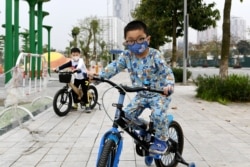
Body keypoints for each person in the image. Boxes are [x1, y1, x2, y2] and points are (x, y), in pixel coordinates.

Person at [90, 20, 175, 154]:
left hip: (159, 94)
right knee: (126, 116)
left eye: (140, 39)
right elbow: (114, 67)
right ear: (126, 43)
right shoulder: (127, 56)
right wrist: (97, 77)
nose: (136, 44)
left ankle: (161, 140)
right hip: (141, 95)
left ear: (148, 39)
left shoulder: (155, 55)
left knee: (158, 115)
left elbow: (167, 72)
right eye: (131, 41)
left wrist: (169, 85)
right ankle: (144, 127)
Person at [55, 47, 91, 113]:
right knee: (73, 91)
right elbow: (64, 65)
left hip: (84, 78)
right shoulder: (71, 61)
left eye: (76, 55)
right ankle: (75, 105)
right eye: (73, 55)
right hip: (77, 78)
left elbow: (79, 66)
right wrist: (57, 69)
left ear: (79, 55)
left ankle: (87, 105)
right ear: (71, 55)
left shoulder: (81, 60)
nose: (75, 56)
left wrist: (76, 69)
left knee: (85, 90)